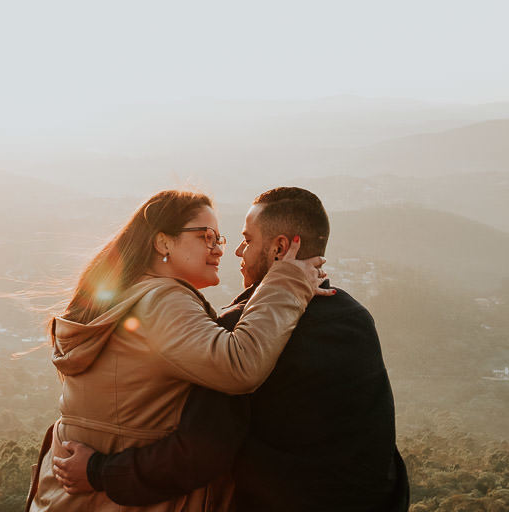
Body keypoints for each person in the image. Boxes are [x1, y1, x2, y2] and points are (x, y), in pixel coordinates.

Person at [51, 187, 410, 512]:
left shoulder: (243, 330)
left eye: (244, 239)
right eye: (209, 237)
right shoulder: (353, 315)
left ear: (280, 249)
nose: (232, 249)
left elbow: (197, 454)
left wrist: (99, 471)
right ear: (162, 242)